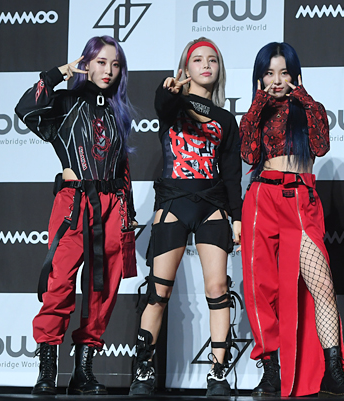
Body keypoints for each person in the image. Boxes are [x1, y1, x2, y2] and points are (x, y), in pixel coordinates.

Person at [15, 35, 137, 396]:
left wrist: (128, 211)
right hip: (74, 203)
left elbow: (122, 167)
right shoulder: (65, 103)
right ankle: (47, 372)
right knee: (59, 284)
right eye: (101, 62)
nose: (108, 70)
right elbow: (25, 108)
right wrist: (58, 73)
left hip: (113, 205)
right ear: (86, 63)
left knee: (104, 289)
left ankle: (83, 373)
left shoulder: (119, 111)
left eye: (115, 64)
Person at [239, 42, 344, 398]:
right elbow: (248, 153)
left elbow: (321, 147)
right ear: (260, 77)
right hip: (262, 198)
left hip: (300, 199)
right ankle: (270, 371)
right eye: (269, 73)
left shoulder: (309, 109)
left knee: (320, 284)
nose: (277, 80)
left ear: (296, 75)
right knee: (261, 289)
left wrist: (303, 98)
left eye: (284, 73)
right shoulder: (257, 112)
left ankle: (332, 372)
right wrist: (259, 103)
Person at [128, 37, 242, 397]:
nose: (206, 65)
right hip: (173, 202)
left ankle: (218, 374)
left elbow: (232, 173)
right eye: (198, 59)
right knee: (158, 290)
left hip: (212, 206)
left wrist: (237, 218)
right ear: (185, 68)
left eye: (212, 60)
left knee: (218, 289)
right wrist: (169, 89)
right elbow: (162, 102)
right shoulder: (172, 104)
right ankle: (143, 371)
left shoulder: (226, 120)